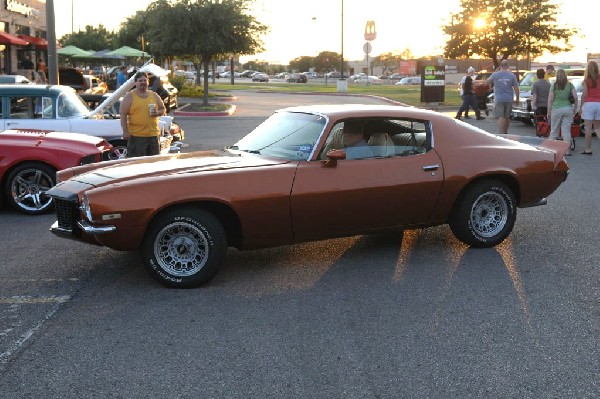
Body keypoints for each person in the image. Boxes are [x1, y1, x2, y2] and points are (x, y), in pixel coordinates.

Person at [120, 71, 166, 157]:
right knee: (137, 163)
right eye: (140, 80)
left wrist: (157, 112)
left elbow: (163, 109)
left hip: (153, 135)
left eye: (145, 80)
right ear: (135, 82)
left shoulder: (154, 95)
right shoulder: (130, 96)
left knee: (153, 162)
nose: (143, 83)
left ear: (148, 82)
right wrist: (125, 132)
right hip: (137, 136)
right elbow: (123, 114)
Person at [547, 68, 577, 156]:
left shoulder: (554, 85)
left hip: (556, 109)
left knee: (554, 131)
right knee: (566, 131)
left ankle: (550, 150)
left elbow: (550, 99)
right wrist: (575, 108)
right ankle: (567, 151)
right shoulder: (570, 85)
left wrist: (549, 111)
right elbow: (575, 97)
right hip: (568, 108)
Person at [487, 59, 519, 134]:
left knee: (501, 117)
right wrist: (517, 98)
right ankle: (505, 132)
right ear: (508, 66)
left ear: (500, 66)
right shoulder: (512, 75)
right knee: (507, 117)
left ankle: (501, 133)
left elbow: (487, 82)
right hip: (509, 98)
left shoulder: (495, 74)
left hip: (499, 99)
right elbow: (516, 88)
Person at [579, 60, 600, 155]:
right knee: (597, 128)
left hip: (589, 104)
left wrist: (581, 107)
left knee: (588, 128)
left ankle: (588, 149)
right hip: (599, 104)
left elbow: (584, 94)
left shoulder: (586, 80)